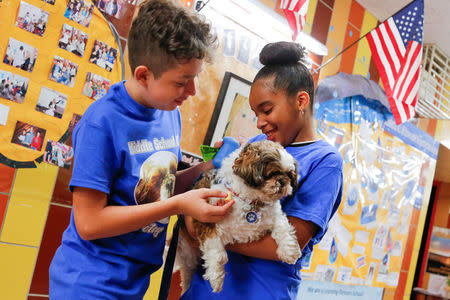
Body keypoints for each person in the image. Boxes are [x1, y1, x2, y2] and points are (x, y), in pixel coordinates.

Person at [49, 1, 235, 299]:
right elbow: (88, 223)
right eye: (182, 82)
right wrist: (178, 205)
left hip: (134, 281)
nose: (192, 92)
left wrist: (205, 168)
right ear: (144, 75)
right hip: (90, 283)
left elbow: (162, 187)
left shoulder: (168, 110)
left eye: (194, 78)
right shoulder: (102, 122)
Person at [181, 42, 343, 300]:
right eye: (256, 113)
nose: (259, 122)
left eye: (267, 110)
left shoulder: (325, 161)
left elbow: (292, 242)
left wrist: (207, 231)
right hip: (204, 290)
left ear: (301, 100)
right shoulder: (258, 144)